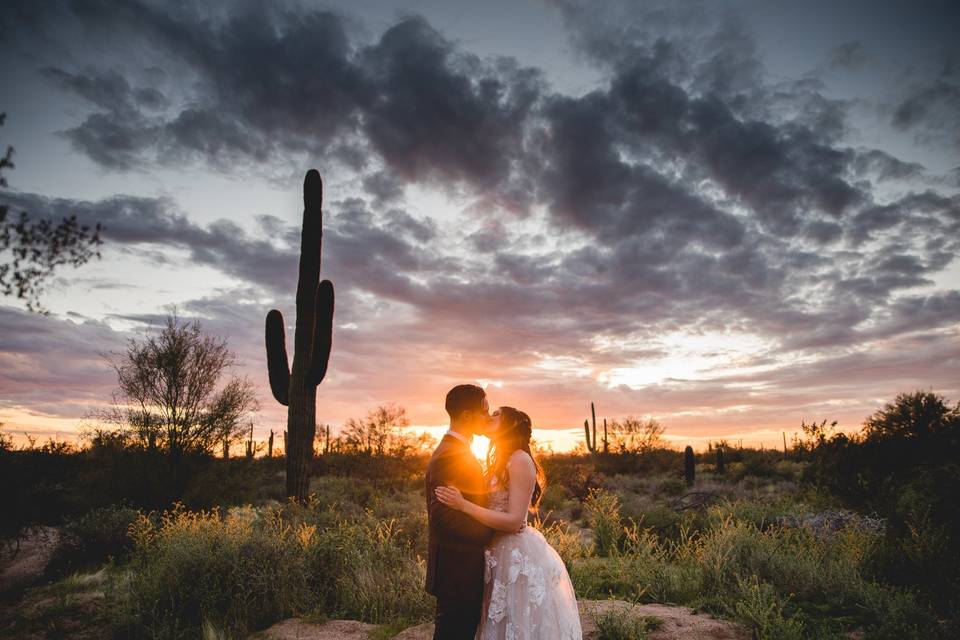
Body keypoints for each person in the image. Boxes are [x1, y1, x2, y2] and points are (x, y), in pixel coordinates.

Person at [435, 406, 583, 639]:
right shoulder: (498, 460)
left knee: (517, 621)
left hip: (514, 553)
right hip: (493, 549)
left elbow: (515, 522)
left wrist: (464, 505)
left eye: (495, 415)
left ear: (509, 425)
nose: (488, 417)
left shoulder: (520, 460)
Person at [425, 384, 496, 639]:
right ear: (467, 415)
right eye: (484, 411)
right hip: (457, 569)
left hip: (458, 566)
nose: (488, 417)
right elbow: (443, 520)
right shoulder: (451, 455)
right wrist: (493, 530)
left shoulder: (456, 450)